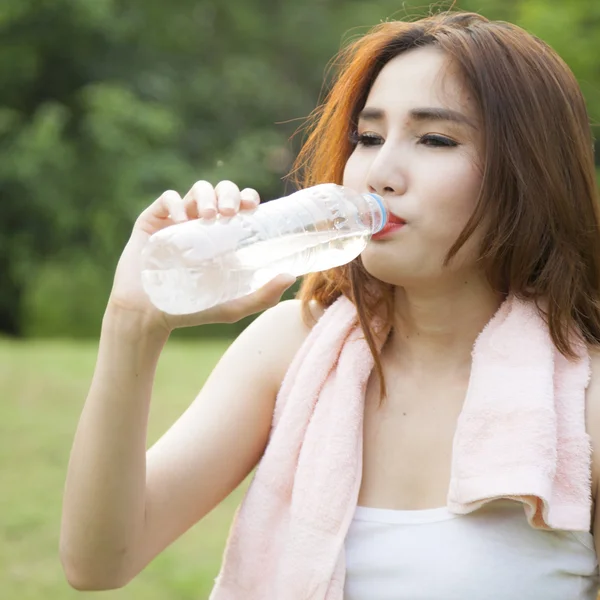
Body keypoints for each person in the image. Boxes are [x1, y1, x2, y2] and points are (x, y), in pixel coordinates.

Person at [60, 9, 600, 599]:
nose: (380, 172)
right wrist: (132, 322)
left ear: (529, 174)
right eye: (368, 137)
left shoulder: (581, 397)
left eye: (436, 139)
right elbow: (98, 562)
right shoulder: (291, 348)